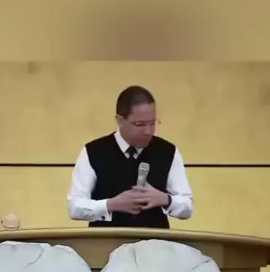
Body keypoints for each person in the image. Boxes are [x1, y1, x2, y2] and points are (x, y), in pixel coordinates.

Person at [67, 85, 193, 228]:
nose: (148, 131)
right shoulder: (93, 152)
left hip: (155, 240)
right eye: (139, 124)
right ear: (119, 120)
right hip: (106, 240)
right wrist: (110, 204)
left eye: (152, 123)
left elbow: (187, 206)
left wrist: (166, 199)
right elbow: (74, 207)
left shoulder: (168, 151)